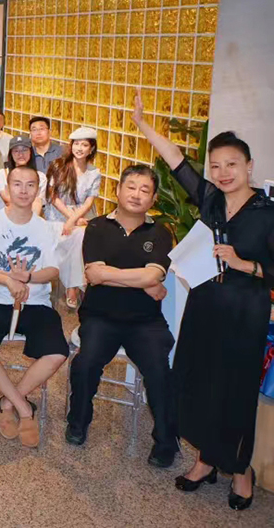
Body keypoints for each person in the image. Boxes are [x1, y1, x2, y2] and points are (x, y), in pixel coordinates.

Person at [133, 93, 274, 510]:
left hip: (244, 313)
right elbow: (176, 160)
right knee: (198, 384)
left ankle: (241, 469)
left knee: (235, 391)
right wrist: (143, 125)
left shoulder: (267, 212)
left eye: (232, 164)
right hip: (206, 305)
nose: (223, 173)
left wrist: (246, 264)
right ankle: (205, 460)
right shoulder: (211, 200)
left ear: (249, 166)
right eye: (215, 166)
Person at [65, 164, 178, 468]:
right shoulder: (97, 227)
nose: (136, 194)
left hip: (145, 321)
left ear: (153, 198)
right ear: (118, 190)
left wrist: (113, 275)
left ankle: (166, 442)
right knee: (86, 363)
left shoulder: (160, 233)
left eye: (145, 190)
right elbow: (93, 274)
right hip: (100, 316)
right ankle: (78, 422)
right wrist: (143, 281)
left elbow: (150, 275)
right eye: (131, 187)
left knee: (159, 371)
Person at [0, 166, 66, 450]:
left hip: (35, 302)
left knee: (58, 352)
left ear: (38, 190)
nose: (24, 190)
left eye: (30, 185)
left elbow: (53, 270)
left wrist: (29, 278)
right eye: (18, 184)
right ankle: (24, 408)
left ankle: (8, 402)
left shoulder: (45, 228)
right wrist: (9, 281)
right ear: (8, 188)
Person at [45, 127, 102, 309]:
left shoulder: (94, 172)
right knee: (75, 236)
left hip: (81, 217)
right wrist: (72, 219)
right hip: (57, 218)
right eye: (76, 144)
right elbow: (53, 197)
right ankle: (73, 284)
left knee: (81, 236)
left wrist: (74, 220)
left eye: (84, 145)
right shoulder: (58, 166)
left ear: (91, 149)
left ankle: (72, 287)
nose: (79, 148)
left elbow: (89, 202)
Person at [0, 136, 47, 214]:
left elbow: (37, 203)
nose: (20, 154)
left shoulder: (40, 177)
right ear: (11, 154)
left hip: (30, 219)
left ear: (31, 152)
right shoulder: (2, 174)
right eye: (16, 151)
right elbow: (8, 200)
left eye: (24, 150)